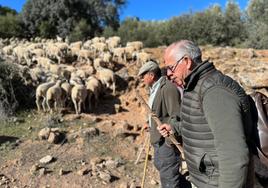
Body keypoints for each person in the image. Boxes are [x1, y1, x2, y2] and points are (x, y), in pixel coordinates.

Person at [158, 40, 254, 188]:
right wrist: (175, 128)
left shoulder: (215, 91)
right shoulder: (194, 86)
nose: (168, 74)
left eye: (171, 68)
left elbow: (234, 155)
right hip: (204, 179)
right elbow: (200, 125)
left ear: (187, 62)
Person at [138, 60, 190, 188]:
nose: (141, 79)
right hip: (158, 141)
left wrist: (169, 139)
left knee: (169, 180)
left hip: (167, 142)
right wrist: (149, 123)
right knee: (165, 172)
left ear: (151, 75)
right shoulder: (154, 89)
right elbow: (158, 112)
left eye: (143, 75)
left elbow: (176, 115)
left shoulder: (168, 89)